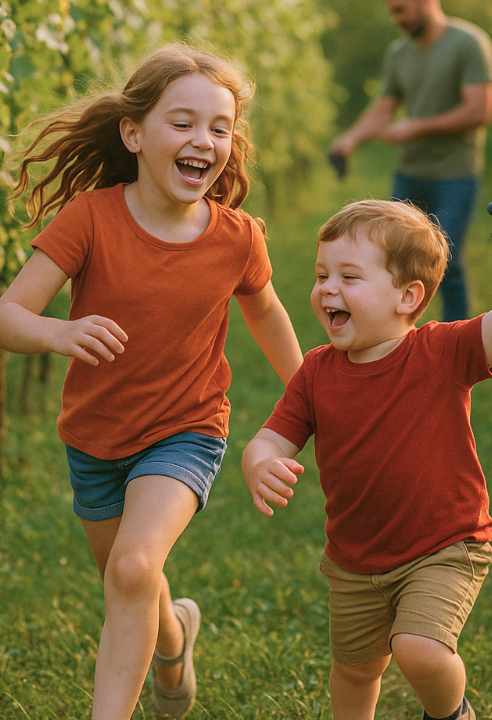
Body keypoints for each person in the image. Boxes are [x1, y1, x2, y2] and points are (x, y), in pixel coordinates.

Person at [0, 44, 303, 718]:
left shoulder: (236, 238)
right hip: (94, 437)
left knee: (134, 568)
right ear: (133, 134)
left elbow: (270, 317)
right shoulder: (91, 220)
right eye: (184, 123)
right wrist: (58, 333)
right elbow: (9, 315)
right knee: (130, 578)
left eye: (220, 128)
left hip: (187, 430)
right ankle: (174, 640)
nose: (205, 141)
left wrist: (316, 396)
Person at [240, 170, 492, 720]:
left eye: (349, 277)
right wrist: (261, 462)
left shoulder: (442, 351)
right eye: (322, 275)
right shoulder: (316, 372)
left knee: (419, 649)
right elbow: (271, 438)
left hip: (445, 544)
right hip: (355, 559)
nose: (327, 290)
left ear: (408, 296)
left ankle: (453, 715)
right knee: (355, 669)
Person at [329, 0, 492, 323]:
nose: (397, 19)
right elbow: (384, 108)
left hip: (454, 173)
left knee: (447, 263)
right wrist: (350, 140)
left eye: (401, 10)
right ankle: (391, 335)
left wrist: (415, 127)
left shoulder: (468, 43)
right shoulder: (399, 54)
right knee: (394, 258)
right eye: (392, 11)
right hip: (409, 172)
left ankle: (455, 338)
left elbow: (480, 110)